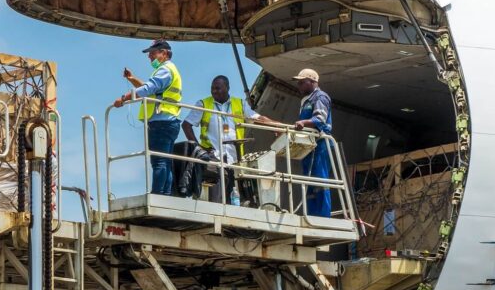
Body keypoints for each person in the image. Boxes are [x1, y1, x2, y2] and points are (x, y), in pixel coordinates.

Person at [181, 75, 281, 203]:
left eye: (218, 88)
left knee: (234, 197)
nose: (214, 91)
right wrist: (198, 149)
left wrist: (274, 126)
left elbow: (256, 118)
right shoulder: (204, 104)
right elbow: (186, 125)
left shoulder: (239, 103)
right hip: (213, 158)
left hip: (234, 160)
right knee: (215, 199)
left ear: (227, 88)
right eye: (212, 88)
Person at [113, 39, 183, 195]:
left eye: (152, 53)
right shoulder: (169, 70)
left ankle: (158, 195)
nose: (149, 57)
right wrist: (132, 79)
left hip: (162, 122)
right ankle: (165, 194)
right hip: (169, 121)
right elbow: (151, 89)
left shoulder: (165, 69)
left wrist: (123, 99)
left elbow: (148, 88)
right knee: (165, 161)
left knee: (159, 161)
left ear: (164, 53)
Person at [292, 68, 334, 217]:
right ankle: (312, 214)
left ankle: (323, 215)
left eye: (302, 82)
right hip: (309, 146)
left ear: (313, 82)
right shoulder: (306, 101)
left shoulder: (320, 97)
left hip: (320, 144)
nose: (299, 85)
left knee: (320, 180)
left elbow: (319, 119)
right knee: (309, 181)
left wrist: (303, 122)